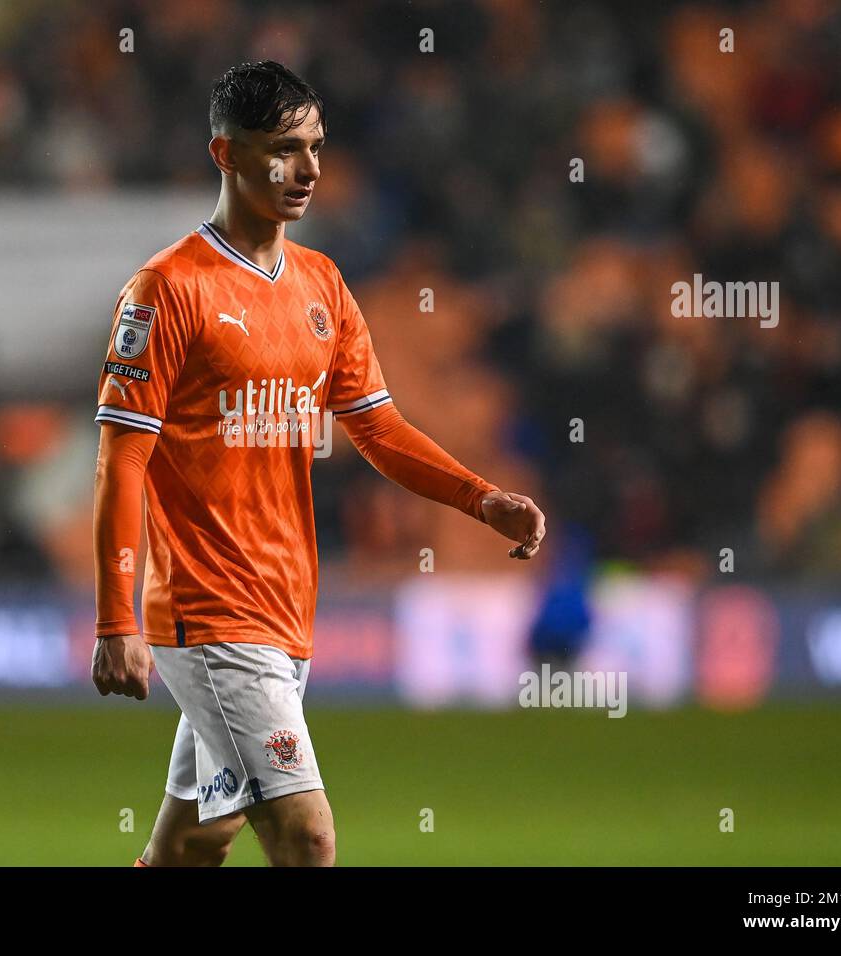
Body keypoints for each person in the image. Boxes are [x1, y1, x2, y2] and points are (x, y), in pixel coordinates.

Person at [91, 60, 546, 867]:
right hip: (210, 611)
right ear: (225, 155)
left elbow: (378, 429)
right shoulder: (167, 290)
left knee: (192, 846)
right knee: (308, 836)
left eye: (316, 147)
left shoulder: (322, 284)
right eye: (283, 150)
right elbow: (122, 461)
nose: (309, 171)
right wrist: (115, 619)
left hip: (287, 609)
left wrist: (482, 499)